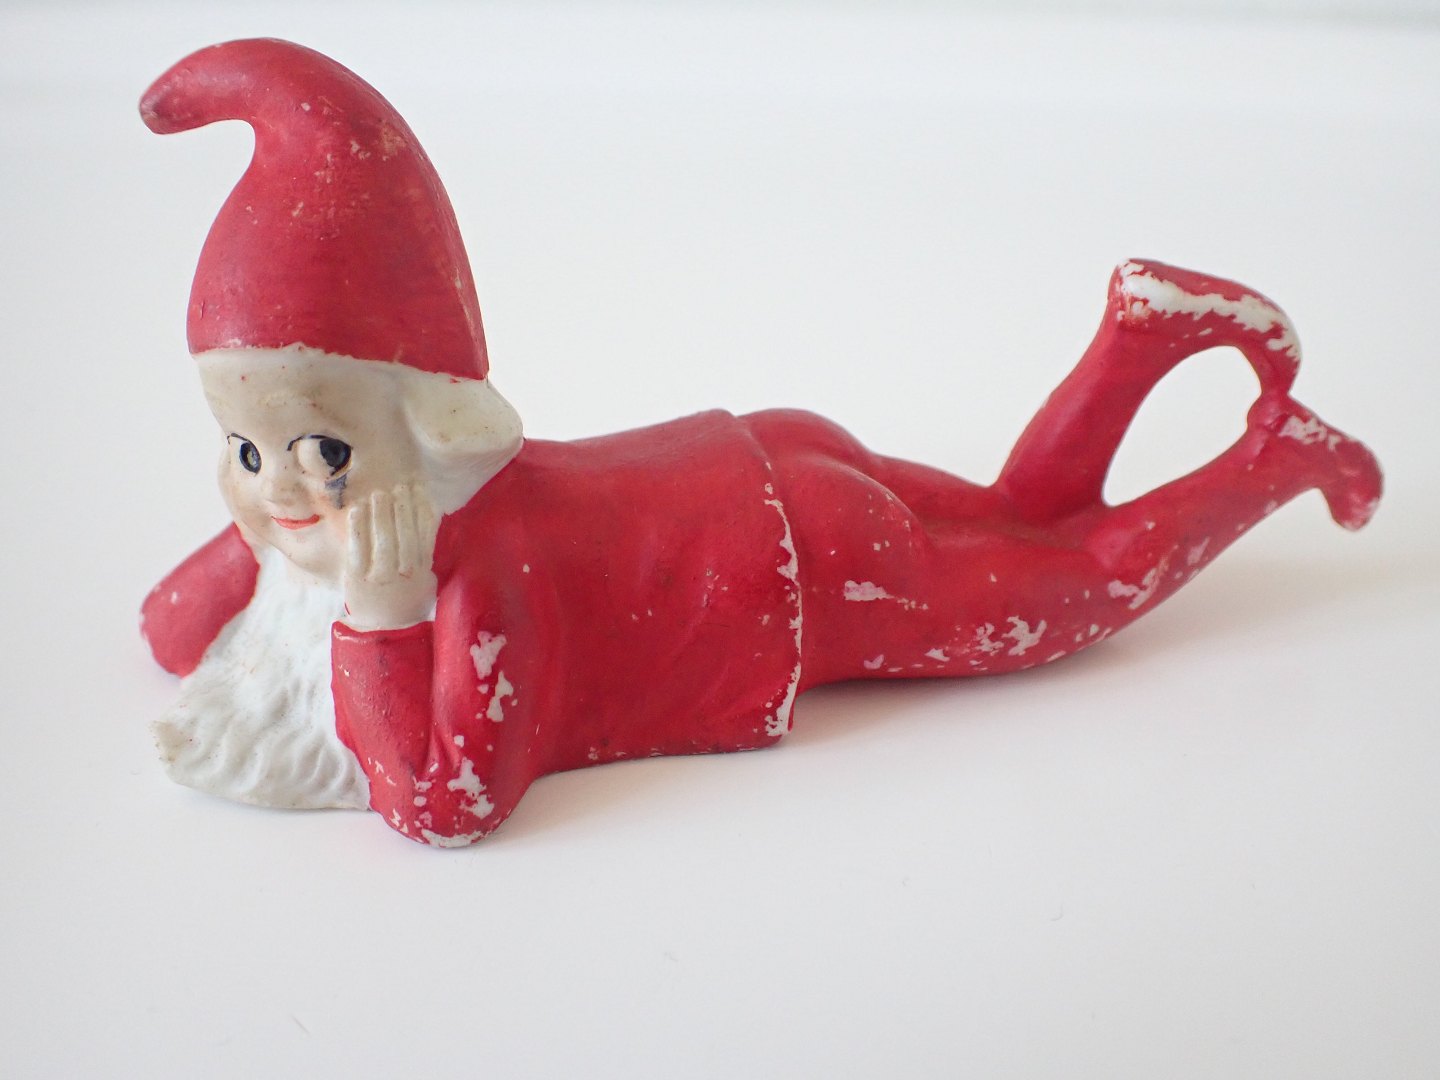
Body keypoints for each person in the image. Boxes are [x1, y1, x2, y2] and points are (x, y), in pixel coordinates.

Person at [139, 39, 1381, 847]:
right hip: (759, 458)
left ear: (435, 430)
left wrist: (382, 611)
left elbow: (442, 803)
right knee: (1014, 514)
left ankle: (1278, 459)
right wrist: (274, 522)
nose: (283, 489)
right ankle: (1137, 338)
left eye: (324, 451)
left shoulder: (471, 581)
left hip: (797, 576)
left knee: (1074, 593)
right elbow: (170, 627)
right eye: (244, 448)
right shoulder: (334, 520)